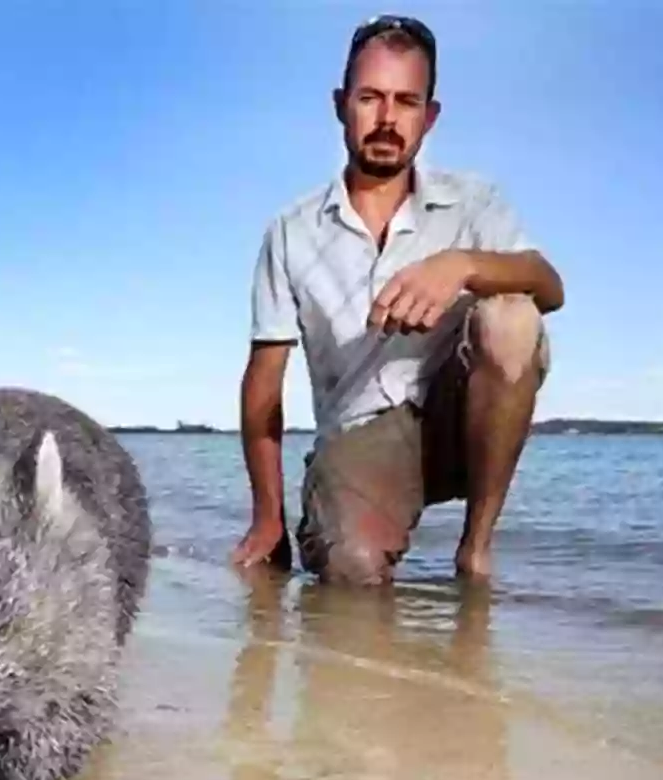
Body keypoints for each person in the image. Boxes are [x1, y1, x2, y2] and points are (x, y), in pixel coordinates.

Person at [231, 14, 564, 585]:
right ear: (341, 104)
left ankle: (476, 550)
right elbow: (264, 383)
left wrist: (462, 265)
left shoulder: (474, 201)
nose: (387, 120)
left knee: (511, 312)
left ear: (429, 116)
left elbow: (549, 285)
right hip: (364, 433)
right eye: (370, 98)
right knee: (349, 571)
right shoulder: (290, 231)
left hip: (465, 422)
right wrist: (267, 519)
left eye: (407, 101)